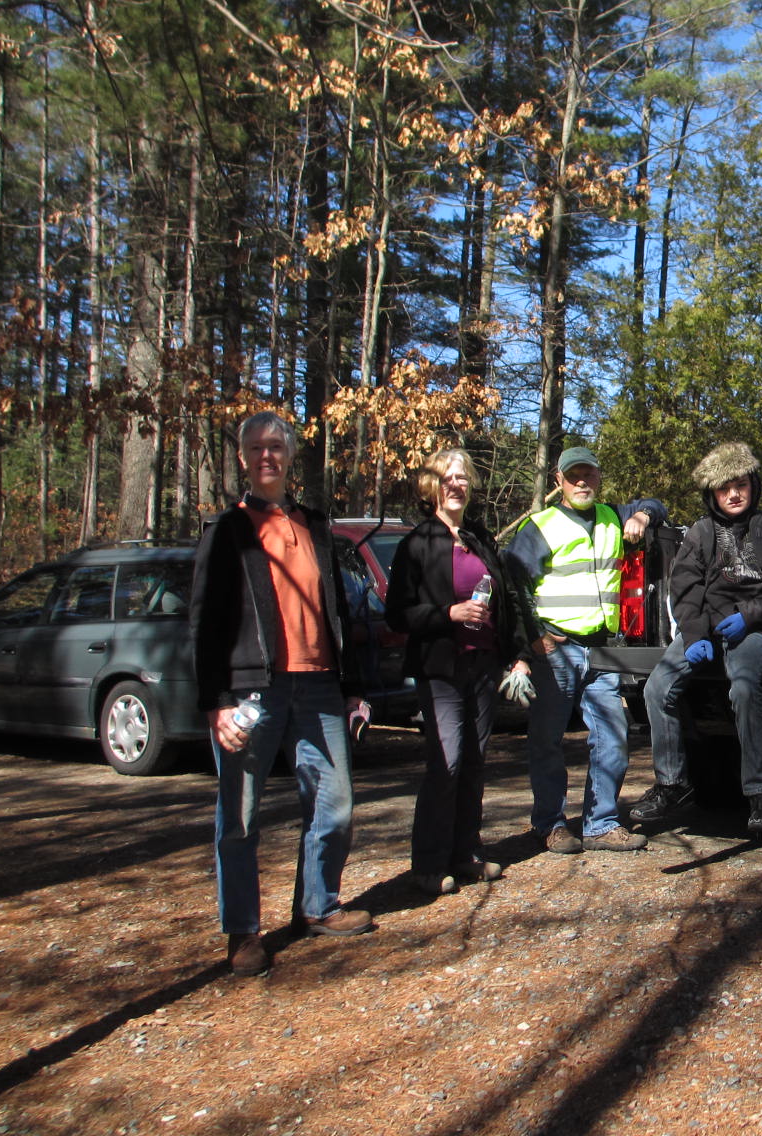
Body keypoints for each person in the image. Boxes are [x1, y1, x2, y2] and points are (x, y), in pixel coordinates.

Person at [190, 411, 372, 977]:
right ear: (243, 458)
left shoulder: (315, 525)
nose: (267, 456)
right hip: (252, 691)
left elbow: (338, 610)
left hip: (319, 685)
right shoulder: (227, 531)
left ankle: (317, 906)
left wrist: (352, 688)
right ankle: (243, 932)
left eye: (276, 447)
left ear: (290, 457)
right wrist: (216, 701)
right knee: (239, 816)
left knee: (334, 804)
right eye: (256, 448)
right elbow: (204, 621)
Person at [505, 446, 667, 853]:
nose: (581, 482)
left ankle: (600, 823)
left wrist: (643, 515)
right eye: (573, 475)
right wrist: (533, 638)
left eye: (589, 475)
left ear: (598, 478)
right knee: (547, 740)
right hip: (555, 649)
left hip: (603, 650)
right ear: (558, 481)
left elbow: (657, 506)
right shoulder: (539, 527)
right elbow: (513, 587)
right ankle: (549, 824)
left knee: (612, 737)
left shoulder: (614, 515)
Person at [387, 449, 532, 896]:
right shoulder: (418, 543)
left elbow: (506, 598)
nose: (456, 485)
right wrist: (448, 613)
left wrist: (518, 654)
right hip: (441, 669)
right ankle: (428, 864)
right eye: (448, 478)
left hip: (484, 665)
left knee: (473, 762)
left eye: (463, 478)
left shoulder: (479, 537)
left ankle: (465, 854)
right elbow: (397, 614)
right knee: (446, 763)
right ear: (433, 486)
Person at [630, 443, 762, 834]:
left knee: (742, 689)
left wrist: (747, 616)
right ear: (712, 494)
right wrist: (694, 634)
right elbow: (684, 589)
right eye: (724, 488)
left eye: (740, 485)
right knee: (657, 689)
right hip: (705, 628)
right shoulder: (701, 532)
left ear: (752, 485)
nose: (734, 494)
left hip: (750, 629)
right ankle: (672, 784)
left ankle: (760, 795)